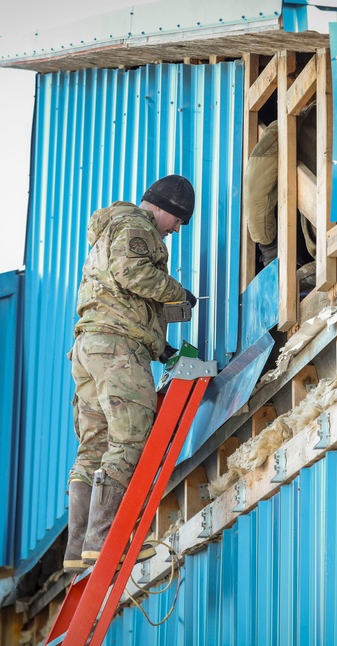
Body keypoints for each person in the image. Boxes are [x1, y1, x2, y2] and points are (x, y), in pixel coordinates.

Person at [63, 175, 199, 572]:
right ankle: (106, 540)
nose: (177, 230)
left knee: (94, 446)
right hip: (115, 349)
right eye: (178, 221)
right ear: (165, 209)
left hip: (91, 348)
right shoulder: (137, 225)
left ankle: (79, 549)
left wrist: (162, 347)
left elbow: (121, 298)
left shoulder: (109, 230)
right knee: (131, 437)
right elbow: (131, 273)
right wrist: (179, 293)